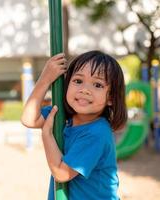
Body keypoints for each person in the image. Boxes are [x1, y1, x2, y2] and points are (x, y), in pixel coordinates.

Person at [21, 50, 127, 200]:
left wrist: (47, 134)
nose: (85, 90)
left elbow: (61, 173)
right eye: (78, 81)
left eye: (97, 84)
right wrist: (45, 79)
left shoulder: (98, 132)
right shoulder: (63, 115)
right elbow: (28, 119)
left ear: (111, 98)